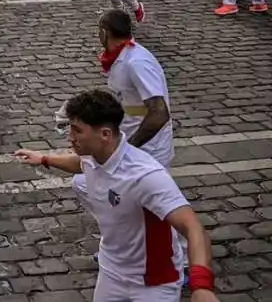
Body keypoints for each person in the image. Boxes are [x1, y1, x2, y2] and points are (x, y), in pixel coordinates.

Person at [16, 89, 219, 302]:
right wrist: (44, 159)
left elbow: (193, 227)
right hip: (111, 273)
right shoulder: (93, 155)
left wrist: (202, 286)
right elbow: (82, 164)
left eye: (77, 130)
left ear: (105, 134)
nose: (70, 137)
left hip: (153, 284)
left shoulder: (146, 175)